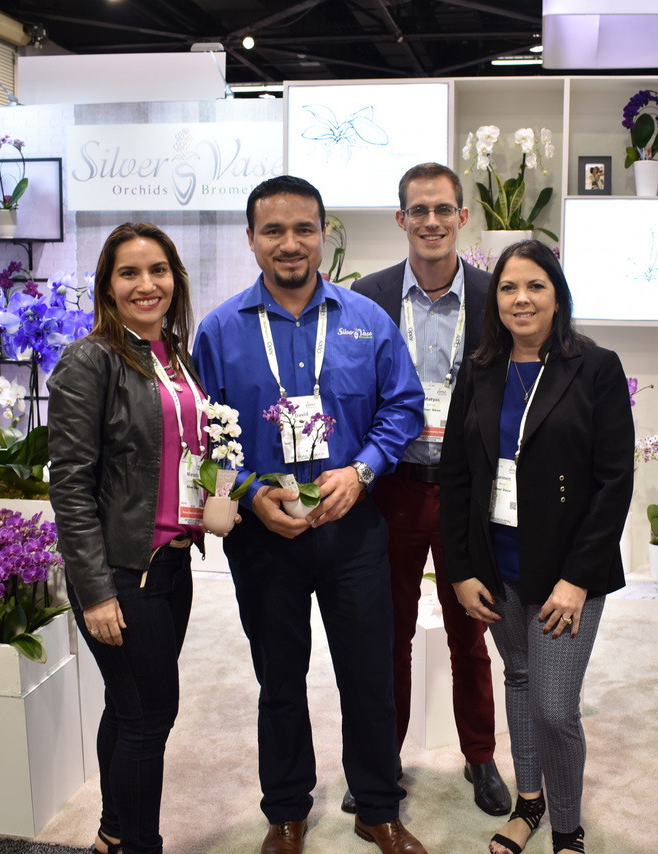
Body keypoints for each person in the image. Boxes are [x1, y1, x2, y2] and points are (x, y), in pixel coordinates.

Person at [193, 175, 429, 854]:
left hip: (351, 529)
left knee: (369, 674)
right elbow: (200, 437)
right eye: (273, 230)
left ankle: (378, 808)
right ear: (251, 239)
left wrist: (363, 470)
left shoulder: (367, 320)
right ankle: (286, 811)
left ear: (323, 234)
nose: (289, 243)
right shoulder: (219, 331)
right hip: (265, 537)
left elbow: (403, 405)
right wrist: (246, 492)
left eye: (303, 229)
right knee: (279, 679)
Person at [439, 240, 633, 854]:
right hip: (496, 564)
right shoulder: (480, 370)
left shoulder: (595, 367)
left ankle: (568, 827)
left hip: (566, 572)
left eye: (535, 286)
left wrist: (578, 580)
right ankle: (530, 804)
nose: (520, 299)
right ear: (494, 300)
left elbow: (615, 481)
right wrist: (461, 570)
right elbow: (457, 477)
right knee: (519, 680)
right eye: (507, 288)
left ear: (557, 296)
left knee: (554, 707)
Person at [49, 222, 225, 854]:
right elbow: (71, 487)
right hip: (124, 573)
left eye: (158, 271)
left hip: (171, 566)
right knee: (149, 719)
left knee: (129, 710)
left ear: (176, 279)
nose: (146, 284)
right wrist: (96, 591)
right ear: (107, 286)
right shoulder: (90, 360)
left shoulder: (173, 355)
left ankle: (113, 833)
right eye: (129, 273)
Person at [350, 162, 511, 817]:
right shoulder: (369, 296)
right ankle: (380, 762)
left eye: (444, 209)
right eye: (419, 210)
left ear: (462, 217)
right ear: (401, 219)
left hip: (466, 492)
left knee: (469, 632)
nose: (432, 221)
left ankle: (480, 756)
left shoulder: (494, 295)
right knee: (385, 634)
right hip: (393, 488)